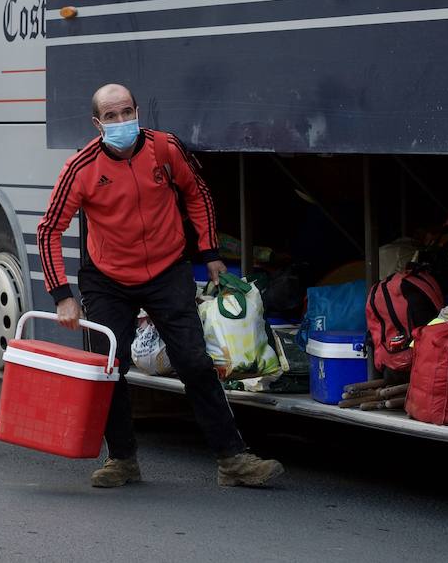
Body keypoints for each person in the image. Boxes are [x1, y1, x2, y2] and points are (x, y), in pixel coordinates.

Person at [37, 83, 283, 488]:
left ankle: (233, 460)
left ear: (137, 112)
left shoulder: (165, 148)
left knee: (195, 363)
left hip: (167, 269)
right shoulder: (81, 168)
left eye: (127, 113)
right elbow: (49, 231)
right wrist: (62, 296)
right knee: (110, 369)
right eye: (111, 117)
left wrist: (210, 252)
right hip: (108, 278)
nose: (121, 122)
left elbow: (196, 192)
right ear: (97, 123)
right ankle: (122, 460)